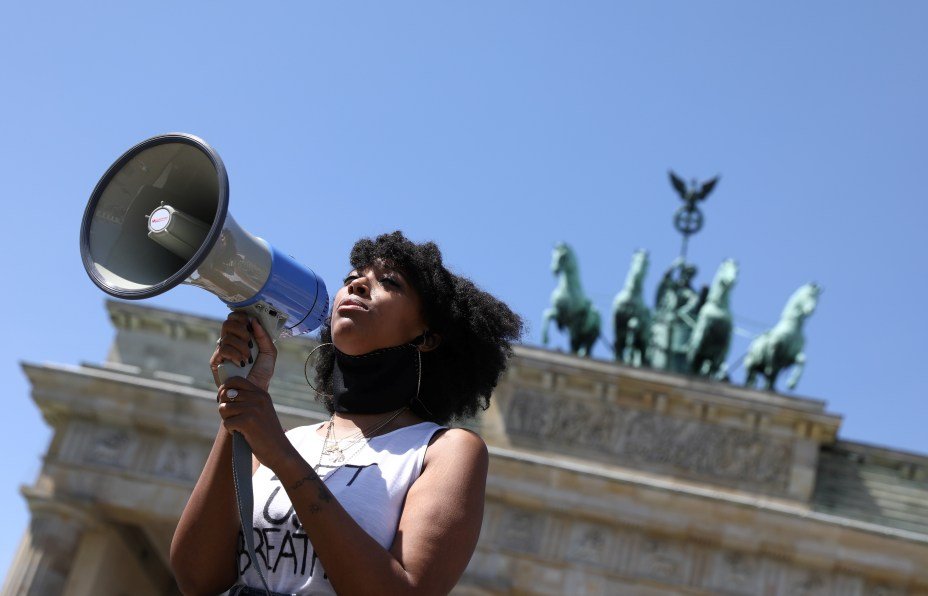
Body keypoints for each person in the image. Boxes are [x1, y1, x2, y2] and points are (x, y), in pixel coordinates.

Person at [170, 231, 523, 595]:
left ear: (428, 335)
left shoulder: (444, 450)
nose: (357, 286)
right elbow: (198, 580)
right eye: (351, 279)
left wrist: (282, 457)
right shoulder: (288, 439)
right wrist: (241, 401)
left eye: (388, 282)